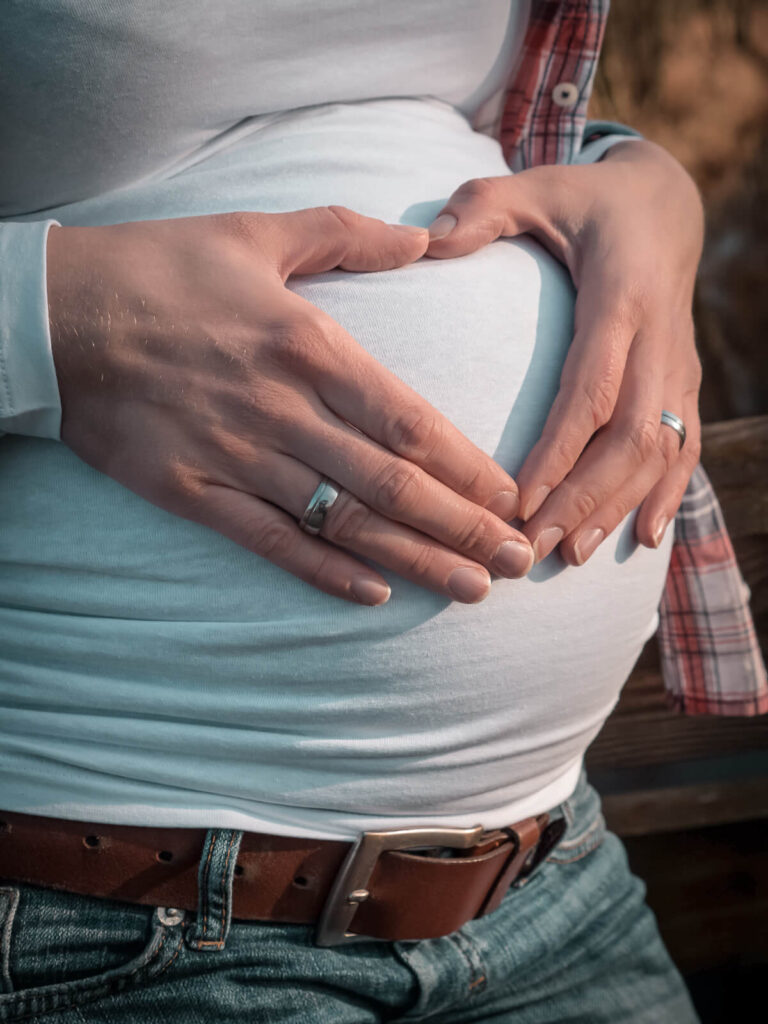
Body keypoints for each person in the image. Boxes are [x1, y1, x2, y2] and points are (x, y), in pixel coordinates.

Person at [0, 1, 765, 1022]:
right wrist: (42, 313)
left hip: (555, 881)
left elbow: (440, 116)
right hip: (123, 922)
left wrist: (647, 186)